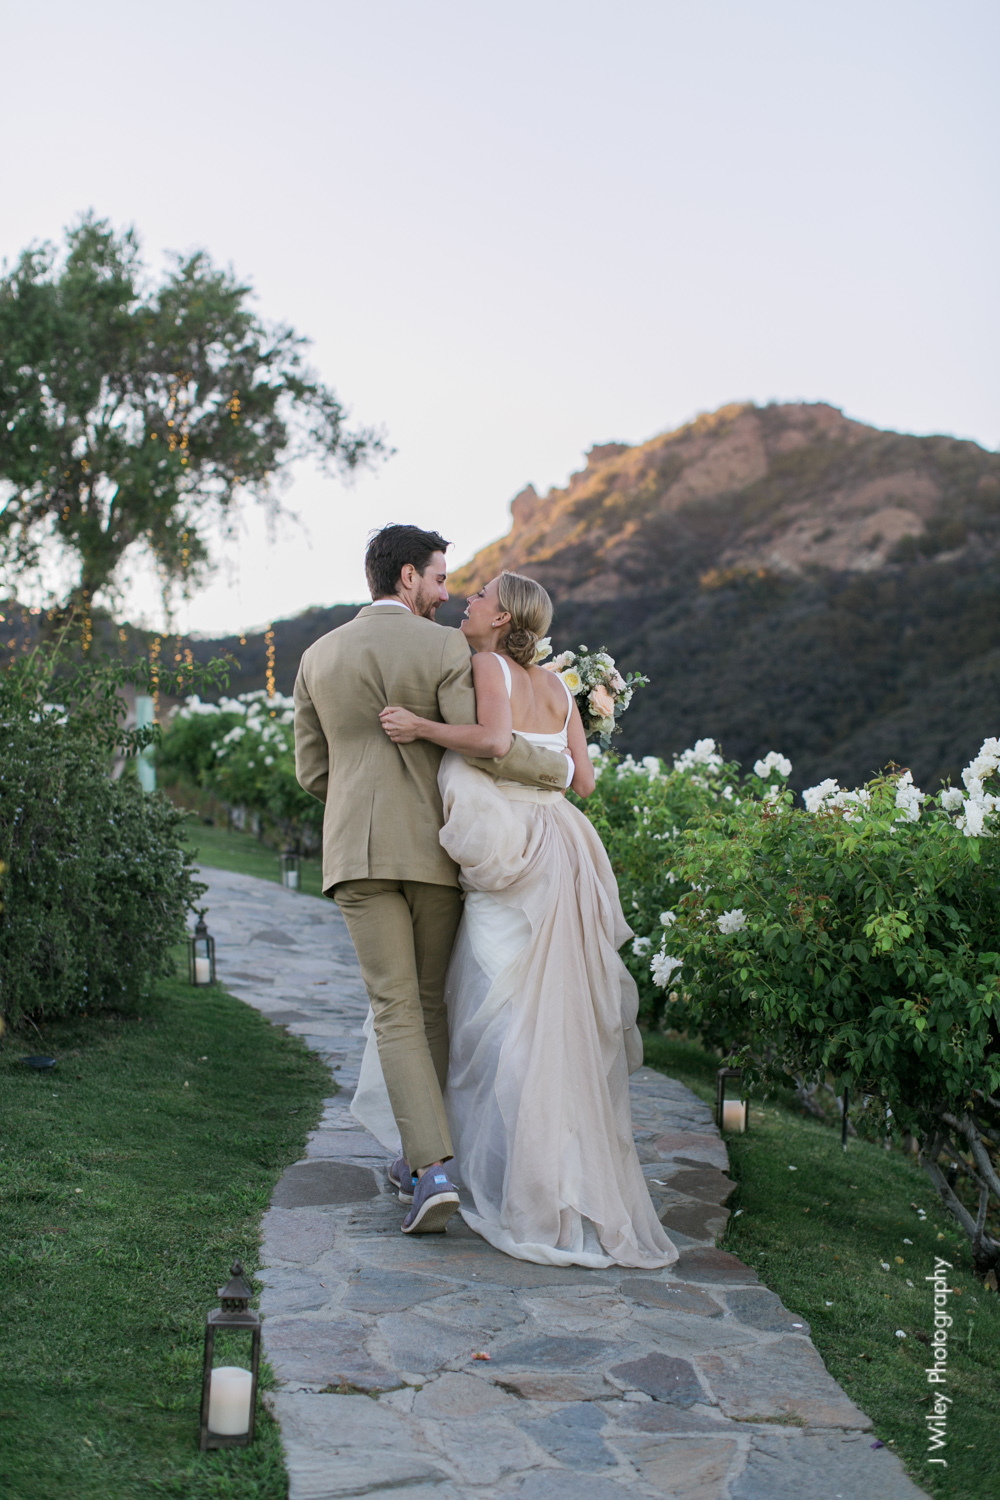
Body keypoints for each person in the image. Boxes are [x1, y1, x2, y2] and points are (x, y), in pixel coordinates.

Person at [375, 570, 676, 1269]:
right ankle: (552, 1179)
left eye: (479, 596)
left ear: (503, 617)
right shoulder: (562, 688)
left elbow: (491, 738)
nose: (469, 603)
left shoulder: (488, 665)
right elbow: (586, 781)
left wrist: (420, 727)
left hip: (510, 850)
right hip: (563, 848)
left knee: (494, 1014)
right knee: (550, 1020)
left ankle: (509, 1180)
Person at [293, 526, 572, 1235]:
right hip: (436, 855)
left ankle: (428, 1168)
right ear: (409, 577)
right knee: (428, 1008)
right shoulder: (447, 648)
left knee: (394, 1009)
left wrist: (362, 802)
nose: (448, 595)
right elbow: (484, 752)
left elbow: (312, 773)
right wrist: (558, 771)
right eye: (441, 580)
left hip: (356, 853)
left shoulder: (317, 656)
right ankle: (428, 1164)